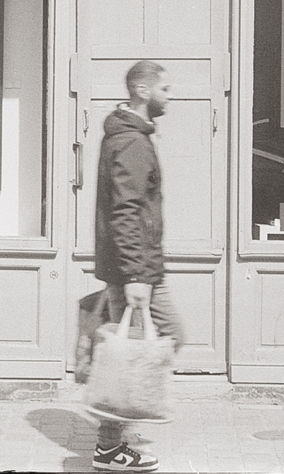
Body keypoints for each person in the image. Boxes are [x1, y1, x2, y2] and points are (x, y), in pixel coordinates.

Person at [90, 60, 184, 473]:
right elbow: (126, 212)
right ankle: (109, 446)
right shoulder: (130, 141)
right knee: (149, 346)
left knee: (132, 351)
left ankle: (114, 435)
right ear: (143, 91)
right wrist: (136, 277)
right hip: (137, 270)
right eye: (165, 88)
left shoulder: (131, 134)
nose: (170, 95)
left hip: (137, 267)